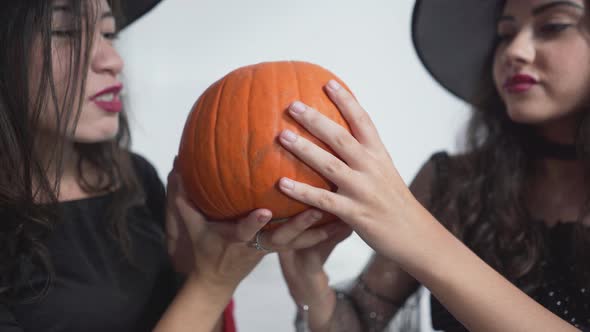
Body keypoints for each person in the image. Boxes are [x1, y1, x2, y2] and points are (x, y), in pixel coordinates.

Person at [0, 1, 339, 331]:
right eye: (66, 32)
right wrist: (211, 284)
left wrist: (190, 268)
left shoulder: (133, 177)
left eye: (108, 33)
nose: (113, 61)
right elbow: (204, 297)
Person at [276, 0, 590, 331]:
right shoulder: (454, 183)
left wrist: (414, 231)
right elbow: (358, 324)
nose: (515, 50)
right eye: (505, 33)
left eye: (553, 26)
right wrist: (311, 284)